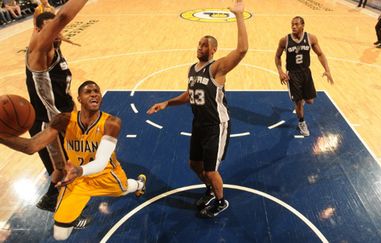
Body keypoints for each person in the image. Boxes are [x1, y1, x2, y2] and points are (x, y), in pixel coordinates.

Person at [0, 81, 147, 240]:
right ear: (79, 99)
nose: (94, 94)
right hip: (76, 180)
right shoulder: (63, 120)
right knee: (60, 235)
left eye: (96, 91)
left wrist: (79, 170)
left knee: (124, 189)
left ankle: (139, 184)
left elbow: (101, 162)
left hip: (106, 174)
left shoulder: (112, 123)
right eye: (88, 91)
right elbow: (31, 146)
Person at [147, 0, 248, 218]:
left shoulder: (217, 68)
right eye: (198, 44)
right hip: (199, 124)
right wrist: (166, 103)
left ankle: (221, 201)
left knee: (211, 170)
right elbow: (189, 95)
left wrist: (239, 15)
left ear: (213, 49)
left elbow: (242, 50)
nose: (199, 47)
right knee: (194, 163)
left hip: (215, 125)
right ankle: (211, 189)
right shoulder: (193, 69)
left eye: (204, 45)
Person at [25, 0, 87, 212]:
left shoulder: (52, 45)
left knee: (69, 167)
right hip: (48, 125)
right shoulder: (40, 52)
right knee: (63, 171)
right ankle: (61, 210)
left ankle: (54, 199)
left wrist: (43, 6)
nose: (58, 33)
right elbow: (61, 18)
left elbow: (48, 17)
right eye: (52, 30)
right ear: (39, 32)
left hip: (63, 119)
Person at [275, 16, 334, 136]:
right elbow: (277, 56)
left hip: (306, 73)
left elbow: (320, 54)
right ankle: (302, 123)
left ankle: (301, 101)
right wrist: (280, 71)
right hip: (292, 75)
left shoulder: (311, 38)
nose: (293, 26)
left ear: (303, 25)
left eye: (296, 24)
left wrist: (327, 70)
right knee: (298, 102)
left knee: (310, 101)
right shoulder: (284, 40)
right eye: (292, 24)